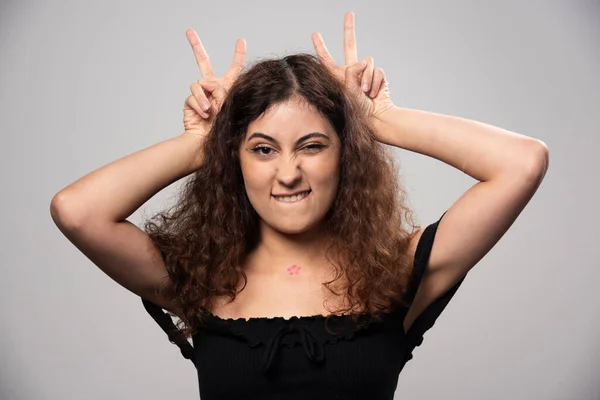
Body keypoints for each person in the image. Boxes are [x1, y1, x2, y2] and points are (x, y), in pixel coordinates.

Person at [50, 12, 549, 400]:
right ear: (235, 160)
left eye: (311, 146)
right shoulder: (200, 278)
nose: (287, 172)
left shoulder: (396, 273)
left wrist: (378, 118)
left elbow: (522, 162)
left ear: (344, 154)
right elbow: (77, 210)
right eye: (262, 149)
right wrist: (205, 142)